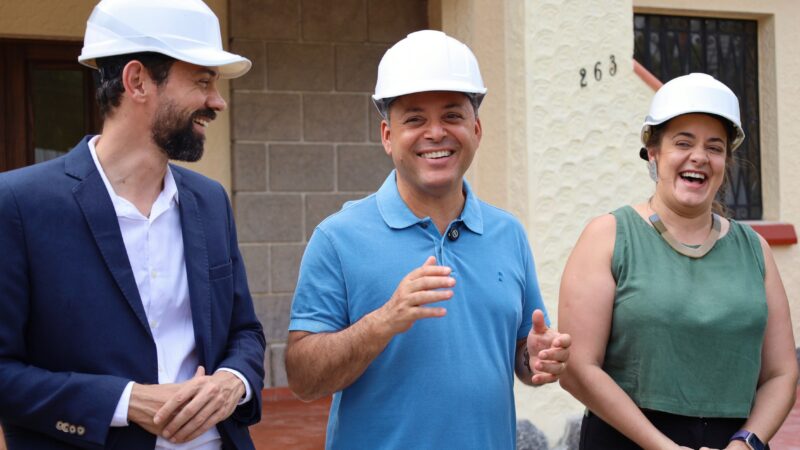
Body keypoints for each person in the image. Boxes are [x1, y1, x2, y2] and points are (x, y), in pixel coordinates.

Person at [284, 30, 571, 450]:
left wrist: (536, 358)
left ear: (476, 128)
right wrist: (384, 321)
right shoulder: (337, 238)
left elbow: (519, 357)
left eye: (452, 116)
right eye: (415, 119)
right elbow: (303, 380)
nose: (435, 133)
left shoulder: (508, 233)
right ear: (386, 135)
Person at [0, 0, 266, 448]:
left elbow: (245, 332)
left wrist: (232, 381)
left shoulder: (210, 201)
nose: (217, 101)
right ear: (137, 81)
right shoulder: (18, 204)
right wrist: (124, 401)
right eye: (202, 81)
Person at [558, 73, 798, 450]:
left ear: (725, 161)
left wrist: (746, 443)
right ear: (653, 152)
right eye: (682, 142)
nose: (699, 157)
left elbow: (782, 373)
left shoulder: (755, 249)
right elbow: (577, 368)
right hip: (627, 440)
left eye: (714, 147)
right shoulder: (608, 236)